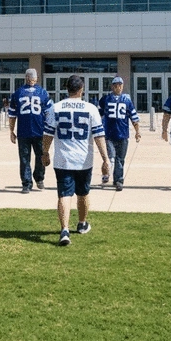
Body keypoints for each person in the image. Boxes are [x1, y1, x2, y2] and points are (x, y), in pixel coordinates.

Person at [42, 74, 110, 246]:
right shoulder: (91, 108)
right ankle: (81, 223)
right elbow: (99, 135)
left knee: (64, 194)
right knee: (83, 193)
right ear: (82, 89)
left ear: (66, 89)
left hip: (63, 158)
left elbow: (48, 134)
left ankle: (64, 229)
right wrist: (105, 159)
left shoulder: (55, 108)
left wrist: (44, 153)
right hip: (83, 159)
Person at [8, 68, 53, 193]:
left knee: (29, 158)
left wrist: (11, 130)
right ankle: (32, 180)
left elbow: (12, 115)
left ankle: (32, 181)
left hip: (30, 131)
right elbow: (49, 112)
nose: (32, 79)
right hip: (34, 130)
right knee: (33, 157)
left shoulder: (18, 93)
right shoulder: (42, 92)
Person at [97, 76, 141, 190]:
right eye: (116, 85)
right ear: (112, 86)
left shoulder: (127, 100)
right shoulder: (105, 99)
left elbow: (133, 117)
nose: (118, 87)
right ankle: (106, 174)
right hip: (109, 134)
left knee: (120, 159)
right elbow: (98, 115)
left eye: (120, 85)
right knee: (111, 157)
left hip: (123, 134)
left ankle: (118, 180)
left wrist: (137, 132)